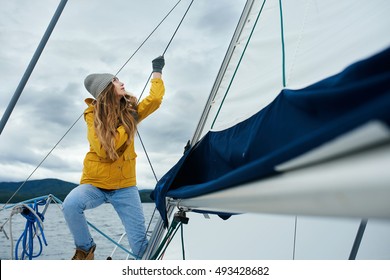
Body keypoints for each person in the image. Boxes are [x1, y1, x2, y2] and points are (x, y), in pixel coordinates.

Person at [62, 56, 165, 260]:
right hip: (95, 184)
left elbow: (154, 100)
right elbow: (104, 148)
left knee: (140, 246)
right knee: (70, 205)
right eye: (116, 80)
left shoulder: (130, 112)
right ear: (107, 89)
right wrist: (129, 124)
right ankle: (85, 250)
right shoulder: (92, 115)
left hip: (125, 186)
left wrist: (157, 71)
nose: (122, 82)